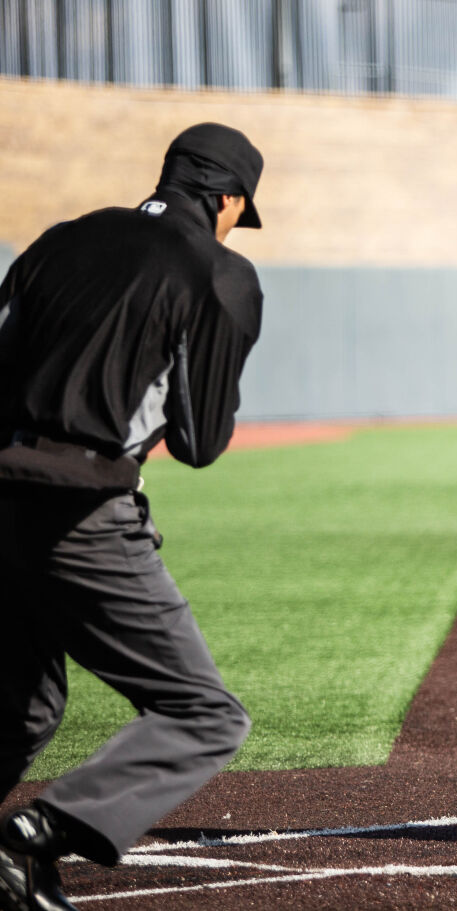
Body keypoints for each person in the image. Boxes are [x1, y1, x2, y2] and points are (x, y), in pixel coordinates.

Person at [0, 123, 265, 911]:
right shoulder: (220, 273)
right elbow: (199, 439)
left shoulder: (60, 239)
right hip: (77, 505)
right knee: (203, 713)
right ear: (226, 198)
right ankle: (36, 834)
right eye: (237, 209)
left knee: (26, 702)